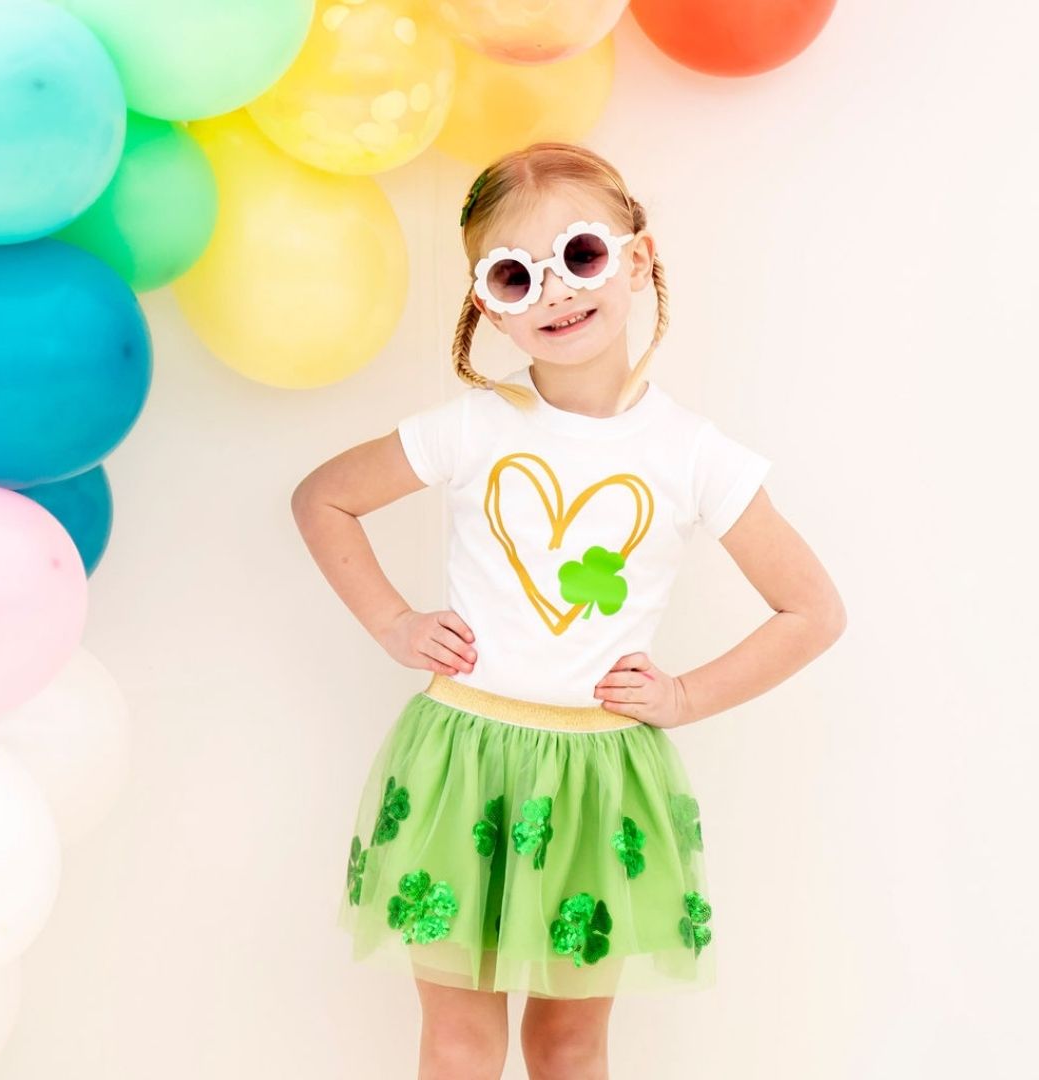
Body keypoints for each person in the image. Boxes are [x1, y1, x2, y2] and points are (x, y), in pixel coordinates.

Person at [290, 141, 846, 1080]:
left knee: (569, 1040)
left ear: (637, 258)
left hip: (597, 786)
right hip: (460, 761)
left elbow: (811, 610)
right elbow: (324, 498)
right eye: (515, 275)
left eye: (580, 256)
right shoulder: (470, 427)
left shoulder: (693, 455)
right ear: (487, 305)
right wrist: (393, 622)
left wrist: (684, 696)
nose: (554, 291)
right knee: (460, 1038)